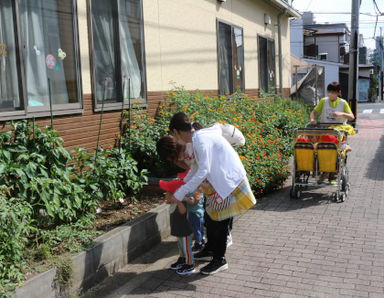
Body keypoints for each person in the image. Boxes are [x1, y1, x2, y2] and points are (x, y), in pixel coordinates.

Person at [168, 112, 256, 275]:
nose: (175, 139)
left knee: (219, 223)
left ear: (177, 131)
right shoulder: (197, 139)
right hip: (222, 181)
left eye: (174, 135)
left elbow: (203, 171)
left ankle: (219, 260)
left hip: (228, 182)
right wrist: (182, 184)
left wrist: (180, 192)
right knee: (210, 218)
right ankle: (210, 250)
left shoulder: (200, 139)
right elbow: (195, 167)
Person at [157, 136, 206, 252]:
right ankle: (199, 241)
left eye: (172, 158)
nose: (174, 161)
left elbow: (202, 172)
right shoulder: (183, 156)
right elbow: (192, 171)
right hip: (197, 190)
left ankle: (201, 243)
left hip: (205, 188)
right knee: (197, 225)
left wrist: (181, 197)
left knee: (199, 226)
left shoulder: (193, 148)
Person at [159, 178, 200, 275]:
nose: (165, 194)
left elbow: (183, 212)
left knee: (186, 248)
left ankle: (190, 264)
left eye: (168, 192)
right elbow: (169, 202)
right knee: (181, 247)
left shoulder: (181, 202)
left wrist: (178, 202)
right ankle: (183, 259)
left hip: (184, 230)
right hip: (178, 229)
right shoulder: (174, 202)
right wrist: (171, 201)